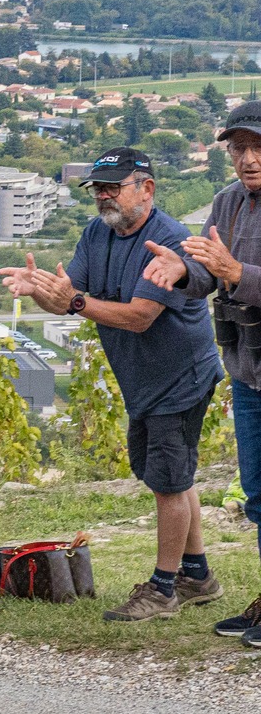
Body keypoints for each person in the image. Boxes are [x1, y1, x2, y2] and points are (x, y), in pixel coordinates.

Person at [26, 147, 219, 620]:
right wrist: (42, 291)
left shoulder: (170, 240)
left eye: (114, 186)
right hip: (143, 381)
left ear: (147, 189)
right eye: (98, 188)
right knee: (171, 478)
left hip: (181, 378)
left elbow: (138, 316)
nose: (103, 196)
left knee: (169, 483)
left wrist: (72, 302)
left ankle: (163, 590)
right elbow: (68, 294)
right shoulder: (99, 232)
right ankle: (197, 576)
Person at [162, 101, 261, 641]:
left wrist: (236, 272)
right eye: (238, 148)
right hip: (247, 369)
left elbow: (229, 270)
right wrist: (185, 269)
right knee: (259, 491)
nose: (248, 158)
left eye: (258, 146)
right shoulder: (227, 202)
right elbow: (205, 268)